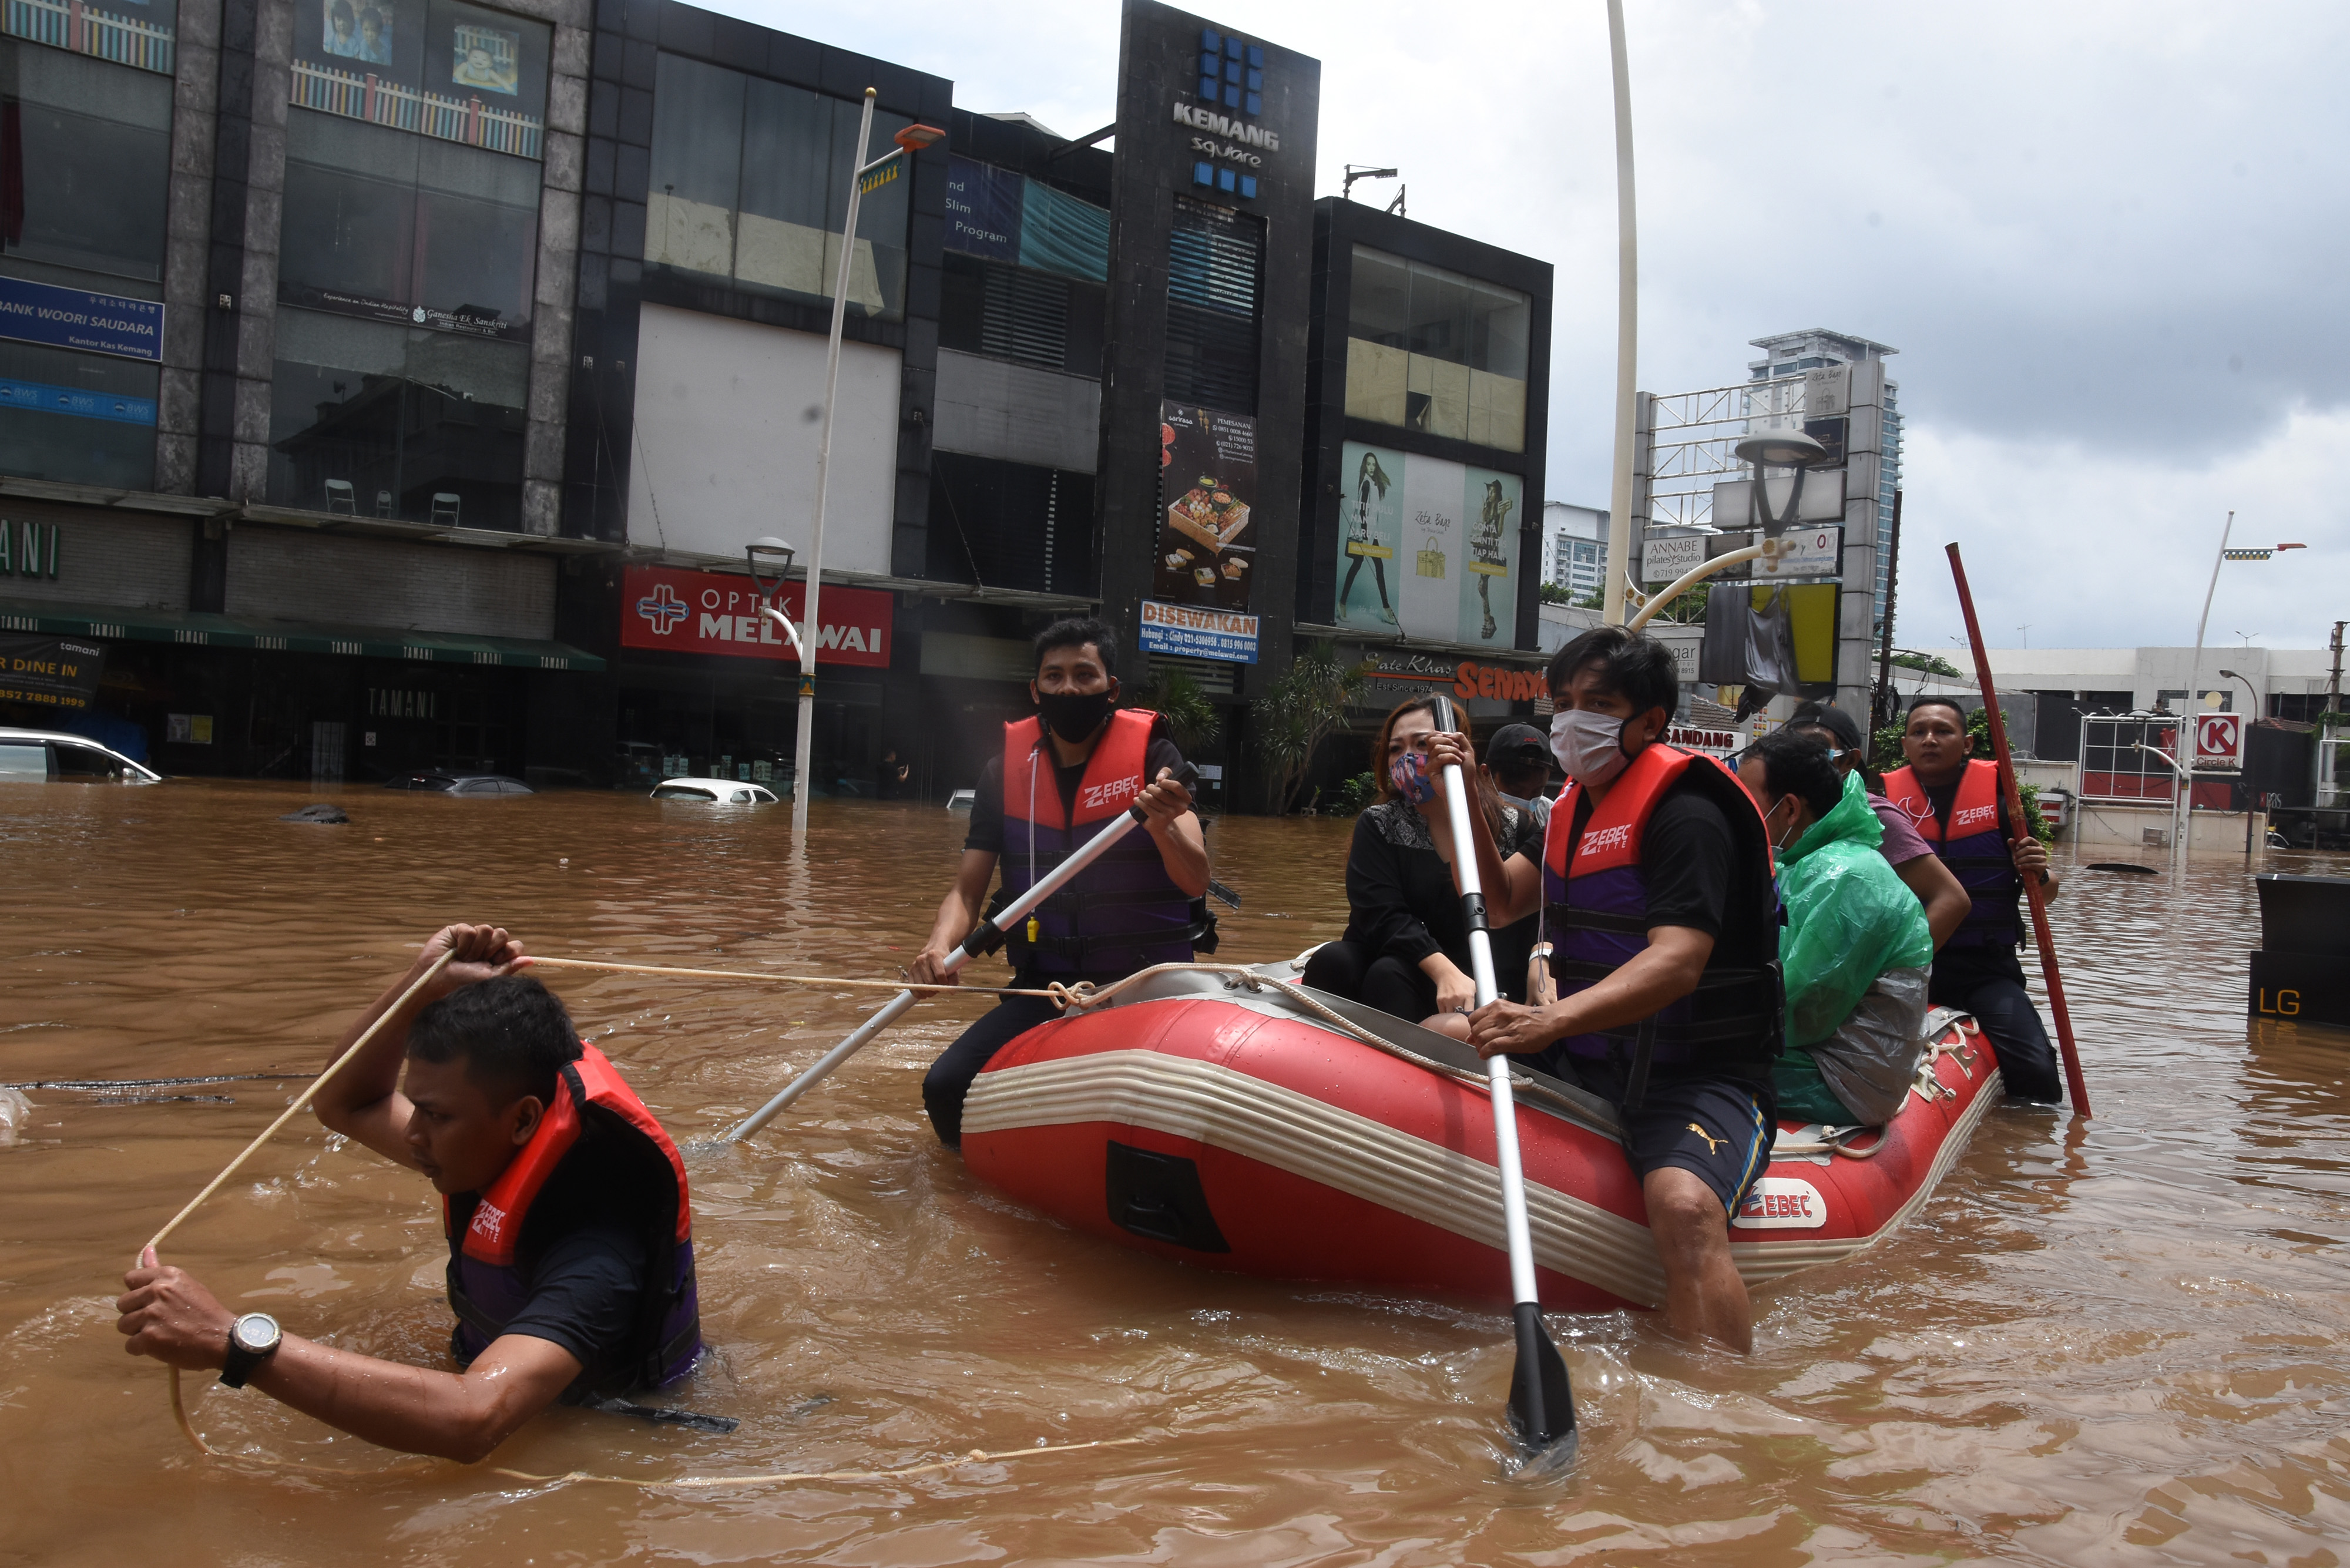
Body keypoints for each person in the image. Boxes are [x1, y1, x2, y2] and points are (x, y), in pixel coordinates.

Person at [115, 925, 703, 1462]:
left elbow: (475, 1415)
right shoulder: (487, 1143)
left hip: (599, 1431)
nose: (412, 1131)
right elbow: (348, 1102)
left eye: (437, 1114)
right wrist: (421, 988)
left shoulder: (597, 1246)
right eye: (415, 1104)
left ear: (524, 1120)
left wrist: (233, 1340)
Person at [1463, 626, 1782, 1353]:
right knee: (1443, 1035)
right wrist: (1443, 805)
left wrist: (1548, 1021)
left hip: (1697, 1072)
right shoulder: (1571, 808)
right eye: (1564, 702)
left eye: (1597, 702)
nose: (1572, 720)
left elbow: (1676, 962)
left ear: (1649, 721)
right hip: (1591, 1052)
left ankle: (1713, 1413)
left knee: (1684, 1208)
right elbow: (1502, 898)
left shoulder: (1689, 812)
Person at [912, 618, 1207, 1148]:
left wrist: (1162, 825)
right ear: (1036, 690)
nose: (1068, 688)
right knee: (946, 1086)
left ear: (1111, 688)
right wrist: (937, 946)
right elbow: (966, 892)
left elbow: (1194, 877)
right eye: (1054, 676)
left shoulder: (1155, 760)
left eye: (1084, 675)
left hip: (1147, 985)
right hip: (1047, 988)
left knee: (1168, 1109)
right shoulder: (1003, 775)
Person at [1300, 699, 1541, 1041]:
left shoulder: (1516, 827)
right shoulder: (1380, 823)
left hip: (1483, 967)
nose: (1407, 758)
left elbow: (1539, 910)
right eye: (1396, 749)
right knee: (1343, 962)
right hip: (1410, 959)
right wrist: (1442, 969)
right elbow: (1381, 912)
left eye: (1422, 744)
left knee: (1390, 973)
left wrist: (1540, 957)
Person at [1738, 730, 1936, 1127]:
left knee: (1680, 1057)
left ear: (1790, 809)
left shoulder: (1844, 876)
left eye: (1746, 800)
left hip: (1844, 1077)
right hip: (1821, 1054)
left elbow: (1799, 1012)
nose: (1737, 812)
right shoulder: (1809, 862)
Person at [1881, 697, 2066, 1103]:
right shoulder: (1879, 805)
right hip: (1905, 966)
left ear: (1968, 743)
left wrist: (2038, 870)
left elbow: (2046, 891)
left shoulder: (2007, 806)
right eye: (1919, 732)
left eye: (1943, 731)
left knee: (2037, 1070)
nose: (1930, 740)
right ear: (1905, 745)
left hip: (1985, 968)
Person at [1785, 700, 1970, 948]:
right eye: (1791, 751)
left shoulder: (1873, 815)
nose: (1801, 762)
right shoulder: (1777, 810)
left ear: (1849, 761)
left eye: (1818, 751)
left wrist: (1893, 969)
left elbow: (1951, 899)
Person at [1483, 721, 1556, 832]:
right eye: (1516, 792)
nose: (1526, 801)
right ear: (1486, 774)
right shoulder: (1468, 815)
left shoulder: (1551, 814)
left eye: (1536, 792)